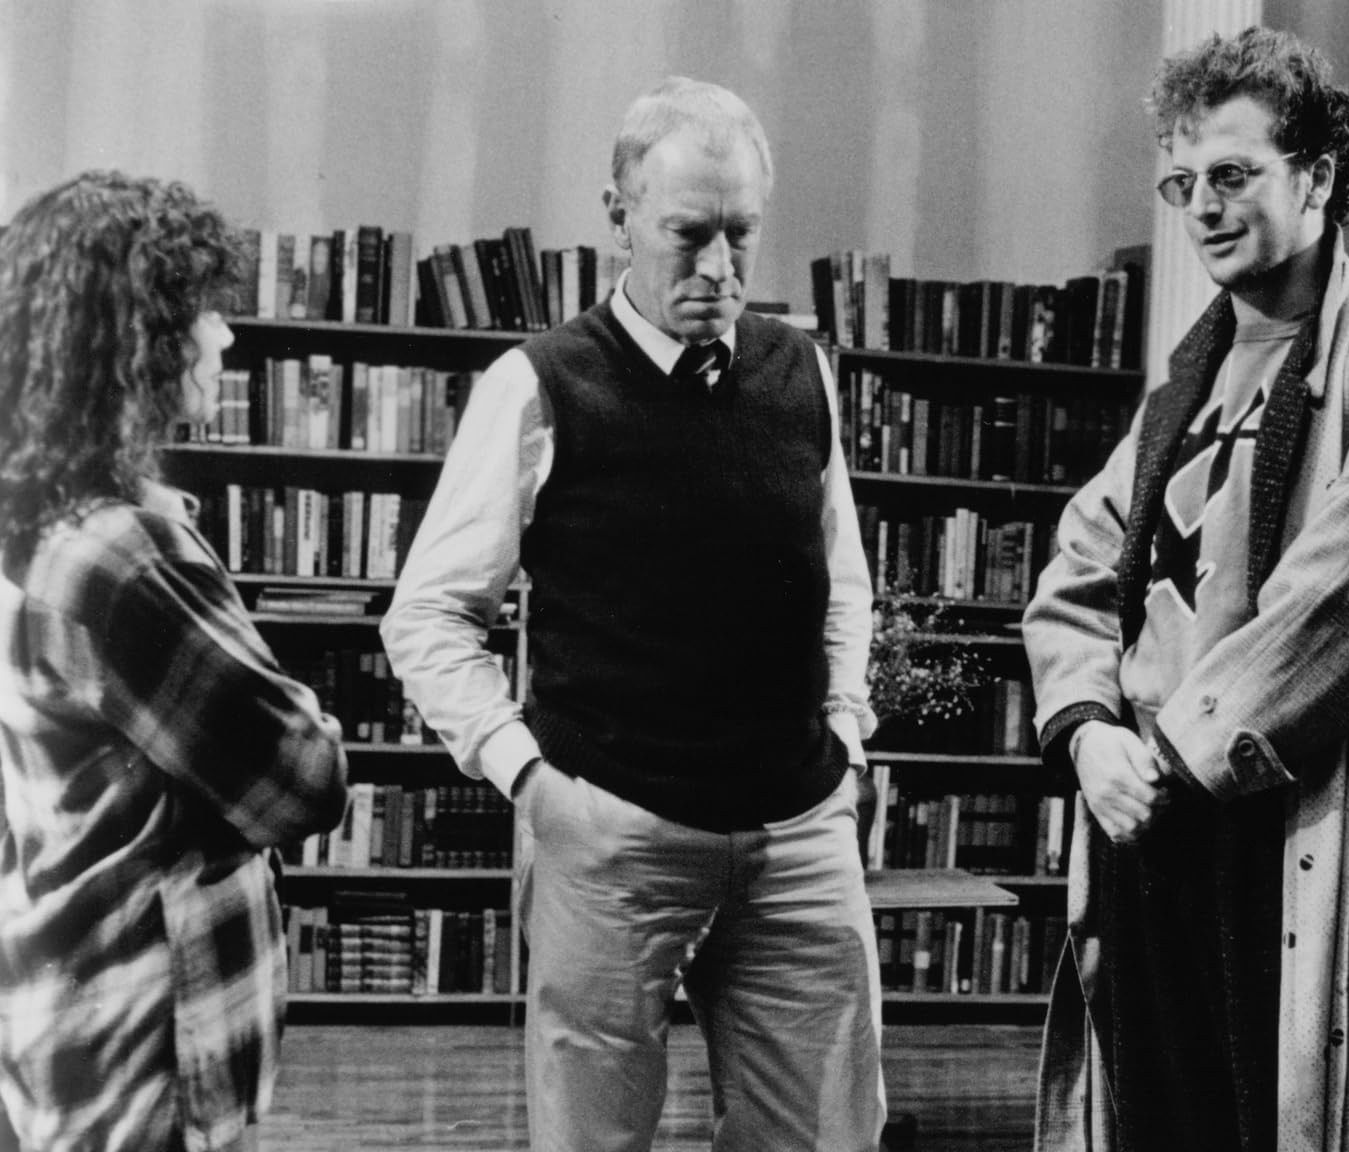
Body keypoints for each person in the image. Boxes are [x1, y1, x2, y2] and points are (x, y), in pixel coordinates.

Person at [380, 77, 882, 1152]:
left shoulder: (802, 372)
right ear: (619, 216)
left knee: (828, 1138)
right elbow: (427, 616)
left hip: (798, 830)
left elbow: (840, 578)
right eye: (688, 235)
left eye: (742, 233)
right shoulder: (537, 385)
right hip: (612, 836)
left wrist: (846, 731)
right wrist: (531, 782)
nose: (721, 269)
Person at [1024, 28, 1349, 1152]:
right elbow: (1077, 573)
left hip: (1295, 832)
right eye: (1181, 183)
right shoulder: (1178, 391)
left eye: (1231, 175)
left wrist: (1171, 755)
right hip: (1148, 828)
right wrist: (1087, 733)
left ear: (1316, 177)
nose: (1202, 208)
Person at [0, 171, 349, 1152]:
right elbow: (305, 782)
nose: (225, 336)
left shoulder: (36, 533)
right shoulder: (121, 559)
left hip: (60, 1023)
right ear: (139, 340)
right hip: (147, 1054)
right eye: (204, 310)